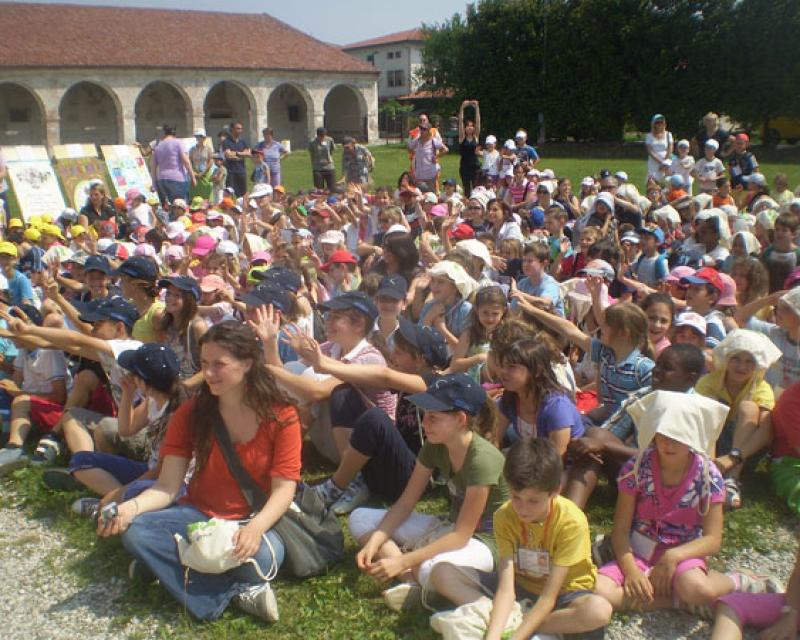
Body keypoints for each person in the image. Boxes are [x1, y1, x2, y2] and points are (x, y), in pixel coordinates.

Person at [97, 322, 301, 623]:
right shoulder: (191, 413)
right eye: (204, 364)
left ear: (247, 364)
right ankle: (233, 592)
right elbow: (167, 486)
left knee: (267, 556)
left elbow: (284, 488)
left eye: (219, 365)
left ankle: (168, 567)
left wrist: (256, 528)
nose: (208, 373)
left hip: (250, 519)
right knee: (136, 531)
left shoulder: (281, 415)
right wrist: (130, 508)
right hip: (199, 515)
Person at [594, 391, 770, 616]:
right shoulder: (635, 469)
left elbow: (712, 539)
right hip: (638, 550)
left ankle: (735, 581)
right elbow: (620, 530)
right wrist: (631, 571)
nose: (668, 443)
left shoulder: (708, 477)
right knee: (599, 590)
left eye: (678, 436)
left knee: (699, 590)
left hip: (684, 552)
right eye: (663, 435)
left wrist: (673, 556)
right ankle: (677, 601)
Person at [350, 373, 508, 612]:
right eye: (425, 416)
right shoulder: (435, 446)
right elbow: (405, 504)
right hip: (449, 527)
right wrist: (375, 541)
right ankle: (413, 582)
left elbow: (462, 536)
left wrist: (403, 560)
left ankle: (413, 576)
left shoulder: (483, 459)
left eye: (433, 418)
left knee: (431, 569)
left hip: (487, 544)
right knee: (360, 517)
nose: (425, 424)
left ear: (460, 419)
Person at [430, 438, 612, 640]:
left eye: (533, 501)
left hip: (562, 594)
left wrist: (516, 637)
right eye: (516, 497)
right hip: (521, 586)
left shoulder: (571, 522)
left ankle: (520, 622)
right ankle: (529, 623)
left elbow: (548, 598)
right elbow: (506, 589)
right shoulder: (504, 516)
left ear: (555, 491)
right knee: (441, 572)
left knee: (598, 610)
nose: (522, 509)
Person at [494, 337, 584, 455]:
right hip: (533, 458)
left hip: (564, 466)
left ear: (536, 371)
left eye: (512, 367)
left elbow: (558, 458)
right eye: (503, 365)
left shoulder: (556, 407)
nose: (503, 372)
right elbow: (494, 439)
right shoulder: (509, 399)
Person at [151, 124, 195, 205]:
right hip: (177, 178)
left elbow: (153, 167)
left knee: (168, 206)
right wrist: (192, 177)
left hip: (162, 179)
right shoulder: (178, 143)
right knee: (180, 205)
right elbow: (186, 161)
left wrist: (154, 183)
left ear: (164, 133)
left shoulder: (158, 146)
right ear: (175, 133)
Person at [408, 120, 447, 193]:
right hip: (419, 175)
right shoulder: (418, 140)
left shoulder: (433, 141)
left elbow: (445, 149)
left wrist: (436, 157)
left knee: (431, 196)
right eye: (421, 129)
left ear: (429, 131)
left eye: (424, 129)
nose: (422, 131)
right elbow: (410, 148)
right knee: (419, 195)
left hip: (430, 175)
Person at [457, 100, 481, 195]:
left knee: (476, 188)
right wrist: (462, 108)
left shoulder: (476, 137)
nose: (470, 128)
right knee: (467, 189)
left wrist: (477, 108)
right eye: (468, 126)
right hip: (464, 166)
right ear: (465, 128)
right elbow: (460, 122)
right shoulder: (462, 137)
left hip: (475, 166)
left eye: (472, 126)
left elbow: (478, 122)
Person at [222, 121, 250, 197]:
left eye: (241, 129)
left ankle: (243, 207)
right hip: (231, 171)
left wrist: (237, 154)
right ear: (232, 129)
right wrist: (241, 155)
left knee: (243, 192)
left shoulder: (243, 142)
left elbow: (248, 153)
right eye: (238, 129)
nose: (240, 131)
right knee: (230, 192)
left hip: (241, 171)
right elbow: (228, 155)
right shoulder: (226, 142)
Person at [645, 114, 674, 181]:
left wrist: (664, 161)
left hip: (666, 161)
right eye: (657, 122)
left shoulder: (668, 134)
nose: (660, 124)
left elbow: (670, 148)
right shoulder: (649, 136)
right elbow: (650, 151)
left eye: (661, 122)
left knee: (665, 179)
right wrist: (660, 161)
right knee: (652, 179)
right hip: (653, 161)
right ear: (654, 124)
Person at [189, 129, 213, 201]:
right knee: (195, 191)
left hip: (205, 173)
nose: (199, 138)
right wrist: (193, 173)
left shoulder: (208, 149)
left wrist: (203, 172)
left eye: (201, 136)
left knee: (207, 189)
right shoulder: (192, 149)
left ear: (204, 138)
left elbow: (210, 161)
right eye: (198, 136)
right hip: (195, 173)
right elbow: (189, 161)